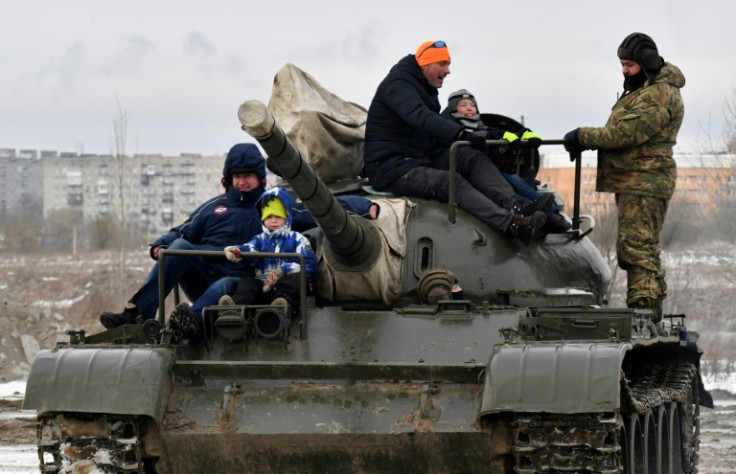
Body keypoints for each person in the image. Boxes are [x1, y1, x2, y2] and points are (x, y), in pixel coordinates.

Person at [99, 143, 377, 330]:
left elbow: (323, 210)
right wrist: (160, 246)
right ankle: (136, 315)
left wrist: (364, 206)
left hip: (241, 286)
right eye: (237, 176)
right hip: (203, 277)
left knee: (225, 285)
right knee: (178, 246)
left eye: (248, 176)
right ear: (228, 179)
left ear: (259, 178)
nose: (242, 181)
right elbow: (181, 231)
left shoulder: (275, 208)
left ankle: (183, 328)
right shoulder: (212, 208)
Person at [362, 40, 552, 246]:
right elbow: (420, 117)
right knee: (450, 182)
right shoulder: (398, 85)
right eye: (442, 64)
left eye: (448, 64)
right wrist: (460, 133)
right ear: (425, 64)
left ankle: (516, 206)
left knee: (469, 156)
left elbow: (431, 132)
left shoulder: (424, 87)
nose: (448, 71)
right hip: (392, 168)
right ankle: (511, 224)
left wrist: (493, 136)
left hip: (417, 158)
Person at [563, 32, 685, 321]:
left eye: (629, 64)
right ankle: (648, 309)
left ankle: (643, 311)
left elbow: (627, 134)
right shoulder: (646, 88)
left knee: (636, 250)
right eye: (622, 64)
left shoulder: (658, 94)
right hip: (638, 180)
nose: (624, 70)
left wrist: (583, 136)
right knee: (642, 248)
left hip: (645, 181)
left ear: (646, 62)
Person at [441, 89, 571, 233]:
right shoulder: (448, 127)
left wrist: (522, 136)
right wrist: (500, 135)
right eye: (463, 105)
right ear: (453, 108)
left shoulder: (479, 125)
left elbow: (491, 138)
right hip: (466, 174)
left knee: (515, 180)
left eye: (472, 105)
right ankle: (539, 215)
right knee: (502, 191)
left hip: (486, 173)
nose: (469, 108)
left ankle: (552, 212)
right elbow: (481, 136)